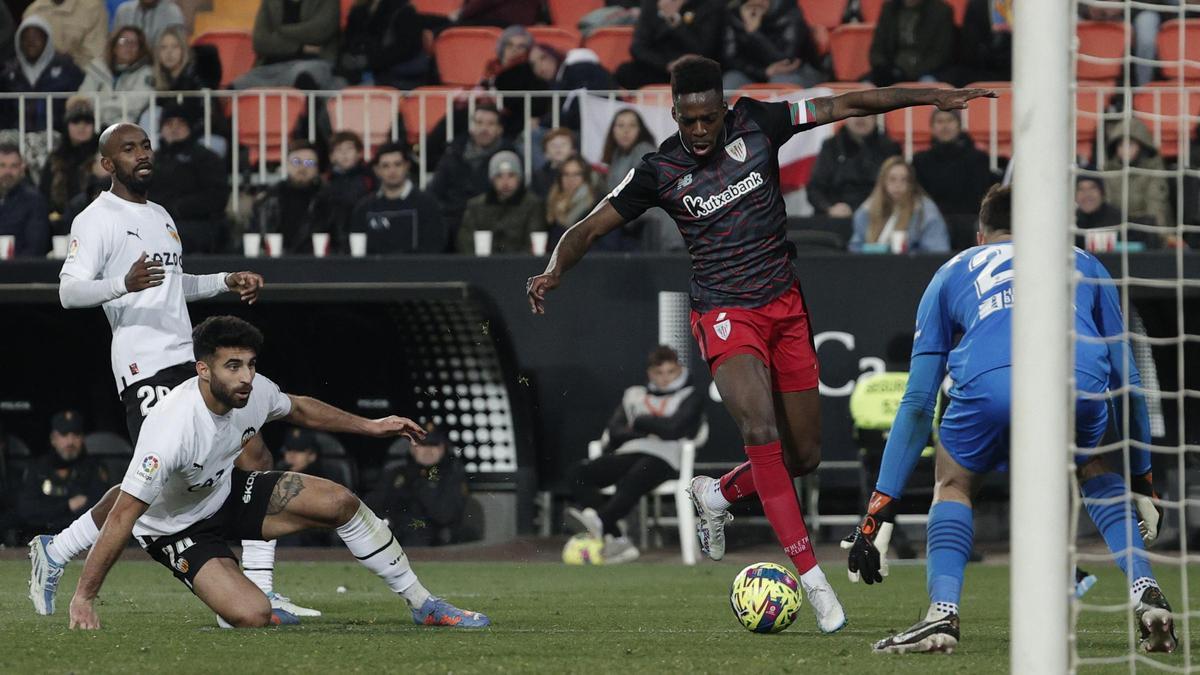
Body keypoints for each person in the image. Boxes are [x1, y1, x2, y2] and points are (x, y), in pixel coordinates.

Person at [526, 54, 994, 633]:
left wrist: (931, 98)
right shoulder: (658, 169)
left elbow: (846, 104)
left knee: (803, 458)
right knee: (760, 432)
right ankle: (814, 583)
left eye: (707, 118)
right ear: (674, 112)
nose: (698, 131)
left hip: (785, 306)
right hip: (724, 311)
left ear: (723, 107)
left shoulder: (759, 123)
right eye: (687, 120)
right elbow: (590, 225)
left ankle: (715, 495)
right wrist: (553, 269)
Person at [847, 185, 1177, 654]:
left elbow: (918, 401)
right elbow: (1129, 384)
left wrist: (878, 510)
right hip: (1076, 380)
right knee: (1095, 467)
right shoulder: (1084, 261)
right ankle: (1145, 590)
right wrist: (1143, 480)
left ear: (981, 233)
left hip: (990, 386)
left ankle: (942, 614)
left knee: (954, 483)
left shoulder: (952, 270)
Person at [27, 122, 318, 622]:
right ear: (106, 163)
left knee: (224, 457)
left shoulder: (160, 215)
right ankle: (60, 552)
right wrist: (122, 282)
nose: (141, 154)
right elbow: (68, 291)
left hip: (186, 357)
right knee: (167, 477)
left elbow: (172, 285)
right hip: (143, 365)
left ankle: (58, 549)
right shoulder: (96, 219)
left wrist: (226, 280)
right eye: (128, 149)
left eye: (145, 146)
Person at [64, 315, 489, 629]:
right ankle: (233, 596)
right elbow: (122, 515)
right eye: (234, 365)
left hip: (225, 493)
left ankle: (423, 603)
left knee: (341, 501)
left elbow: (300, 406)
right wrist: (85, 597)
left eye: (250, 363)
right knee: (252, 615)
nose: (246, 376)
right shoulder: (170, 428)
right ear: (203, 369)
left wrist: (373, 426)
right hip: (176, 528)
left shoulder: (253, 390)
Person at [563, 345, 704, 564]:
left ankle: (601, 522)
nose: (665, 378)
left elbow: (674, 428)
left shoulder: (690, 395)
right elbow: (615, 432)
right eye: (659, 373)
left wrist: (639, 421)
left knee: (636, 475)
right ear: (650, 374)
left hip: (664, 459)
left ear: (680, 370)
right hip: (629, 453)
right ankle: (615, 538)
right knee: (579, 472)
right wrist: (655, 427)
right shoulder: (634, 395)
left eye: (671, 372)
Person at [369, 426, 470, 547]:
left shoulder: (452, 475)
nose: (427, 450)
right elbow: (373, 506)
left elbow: (445, 515)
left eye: (433, 445)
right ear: (412, 448)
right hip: (394, 533)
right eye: (422, 445)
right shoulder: (397, 473)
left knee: (418, 532)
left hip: (433, 538)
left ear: (443, 448)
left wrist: (423, 483)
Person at [150, 104, 230, 253]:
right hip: (157, 222)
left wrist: (178, 208)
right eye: (169, 124)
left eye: (180, 124)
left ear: (190, 128)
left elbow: (217, 197)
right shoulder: (152, 160)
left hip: (196, 224)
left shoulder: (206, 158)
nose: (174, 128)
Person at [428, 104, 513, 241]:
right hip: (453, 221)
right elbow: (434, 192)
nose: (484, 129)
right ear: (471, 127)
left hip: (492, 223)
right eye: (479, 123)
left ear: (499, 129)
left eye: (490, 124)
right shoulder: (452, 154)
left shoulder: (509, 157)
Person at [17, 411, 109, 536]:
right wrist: (66, 506)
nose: (70, 441)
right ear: (53, 439)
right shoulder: (38, 468)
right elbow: (26, 510)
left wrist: (51, 512)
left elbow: (101, 509)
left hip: (83, 539)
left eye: (76, 434)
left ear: (82, 438)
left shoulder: (94, 468)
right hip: (41, 536)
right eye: (64, 434)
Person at [349, 142, 444, 254]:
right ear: (377, 170)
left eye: (397, 164)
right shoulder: (364, 207)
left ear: (407, 166)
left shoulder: (427, 204)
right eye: (385, 166)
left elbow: (434, 246)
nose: (392, 170)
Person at [615, 0, 725, 90]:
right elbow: (637, 47)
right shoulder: (651, 4)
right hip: (661, 68)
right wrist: (666, 64)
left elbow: (705, 49)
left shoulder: (711, 5)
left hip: (696, 69)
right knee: (625, 72)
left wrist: (675, 20)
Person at [0, 16, 84, 132]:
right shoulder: (8, 73)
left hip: (57, 136)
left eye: (36, 37)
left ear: (47, 40)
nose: (31, 43)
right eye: (26, 38)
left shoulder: (67, 69)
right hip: (15, 138)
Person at [850, 156, 950, 253]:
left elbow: (937, 252)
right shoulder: (866, 211)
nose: (898, 185)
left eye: (904, 180)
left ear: (911, 183)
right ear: (882, 182)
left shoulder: (926, 212)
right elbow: (855, 248)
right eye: (892, 179)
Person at [807, 114, 900, 218]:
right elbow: (814, 188)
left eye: (867, 113)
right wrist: (829, 208)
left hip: (877, 217)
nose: (861, 118)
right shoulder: (830, 146)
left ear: (876, 117)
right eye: (855, 113)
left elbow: (897, 187)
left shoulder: (890, 148)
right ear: (845, 117)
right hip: (835, 218)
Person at [235, 0, 341, 90]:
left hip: (311, 63)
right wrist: (300, 48)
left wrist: (279, 30)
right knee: (235, 87)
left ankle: (306, 113)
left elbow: (320, 31)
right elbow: (260, 42)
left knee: (304, 77)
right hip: (269, 67)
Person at [1102, 119, 1176, 248]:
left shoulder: (1154, 171)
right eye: (1120, 145)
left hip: (1148, 234)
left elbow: (1157, 207)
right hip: (1114, 234)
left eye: (1130, 144)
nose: (1124, 150)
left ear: (1142, 146)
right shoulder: (1108, 172)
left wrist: (1163, 238)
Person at [251, 141, 333, 254]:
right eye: (296, 161)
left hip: (316, 264)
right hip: (273, 263)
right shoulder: (268, 198)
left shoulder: (329, 199)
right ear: (286, 164)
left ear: (317, 168)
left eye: (309, 163)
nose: (303, 167)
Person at [721, 0, 823, 91]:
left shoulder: (789, 11)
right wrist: (763, 72)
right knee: (730, 82)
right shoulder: (735, 14)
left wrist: (754, 33)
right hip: (756, 72)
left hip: (798, 71)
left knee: (779, 83)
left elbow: (786, 59)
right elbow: (731, 58)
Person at [457, 150, 545, 254]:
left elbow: (533, 242)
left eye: (511, 175)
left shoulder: (533, 204)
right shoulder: (476, 205)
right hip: (482, 266)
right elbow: (465, 241)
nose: (505, 182)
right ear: (492, 179)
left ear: (519, 178)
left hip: (521, 265)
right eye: (499, 176)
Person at [912, 109, 996, 218]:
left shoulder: (978, 159)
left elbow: (979, 200)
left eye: (950, 120)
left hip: (969, 224)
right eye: (940, 121)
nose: (945, 126)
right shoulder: (920, 162)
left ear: (959, 125)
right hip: (932, 224)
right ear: (932, 128)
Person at [77, 26, 156, 128]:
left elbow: (136, 103)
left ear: (140, 49)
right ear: (114, 46)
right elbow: (84, 96)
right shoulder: (97, 68)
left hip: (128, 125)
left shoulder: (146, 73)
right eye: (124, 41)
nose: (129, 46)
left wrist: (102, 108)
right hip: (93, 124)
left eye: (134, 43)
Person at [338, 0, 430, 89]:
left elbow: (404, 49)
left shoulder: (403, 10)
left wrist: (368, 61)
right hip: (360, 74)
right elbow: (348, 44)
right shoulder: (358, 10)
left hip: (397, 78)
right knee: (333, 83)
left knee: (349, 95)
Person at [868, 0, 956, 86]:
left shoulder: (941, 11)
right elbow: (876, 50)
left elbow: (940, 54)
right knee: (864, 87)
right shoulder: (889, 8)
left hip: (927, 71)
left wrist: (911, 73)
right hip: (890, 71)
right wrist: (886, 69)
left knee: (927, 86)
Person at [40, 98, 98, 221]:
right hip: (61, 223)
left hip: (96, 219)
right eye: (76, 121)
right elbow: (43, 194)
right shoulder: (55, 158)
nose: (82, 126)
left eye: (87, 121)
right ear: (67, 125)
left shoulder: (102, 156)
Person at [323, 131, 377, 245]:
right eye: (339, 150)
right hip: (334, 238)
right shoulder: (326, 181)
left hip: (363, 236)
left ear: (359, 154)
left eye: (349, 149)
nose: (344, 154)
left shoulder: (369, 179)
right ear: (331, 157)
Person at [22, 0, 108, 71]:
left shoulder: (93, 8)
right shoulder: (32, 12)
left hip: (82, 82)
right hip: (42, 83)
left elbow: (95, 59)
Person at [0, 143, 51, 257]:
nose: (7, 172)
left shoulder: (34, 201)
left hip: (18, 270)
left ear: (22, 168)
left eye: (13, 166)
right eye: (2, 165)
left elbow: (36, 248)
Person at [545, 156, 600, 250]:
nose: (570, 179)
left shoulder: (596, 205)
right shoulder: (553, 203)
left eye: (576, 174)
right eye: (566, 174)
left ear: (585, 177)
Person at [111, 0, 185, 46]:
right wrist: (126, 42)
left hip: (159, 68)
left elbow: (177, 48)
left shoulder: (173, 13)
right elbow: (118, 41)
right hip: (126, 66)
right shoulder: (124, 11)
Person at [530, 127, 576, 198]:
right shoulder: (539, 176)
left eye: (563, 144)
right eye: (553, 145)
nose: (558, 148)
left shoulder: (582, 172)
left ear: (573, 150)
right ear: (545, 153)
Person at [1075, 174, 1122, 244]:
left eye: (1092, 188)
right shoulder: (1071, 222)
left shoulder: (1118, 221)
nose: (1087, 194)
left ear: (1102, 193)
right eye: (1081, 189)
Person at [450, 0, 541, 27]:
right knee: (437, 21)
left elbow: (483, 3)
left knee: (442, 28)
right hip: (494, 21)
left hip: (505, 24)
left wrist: (461, 14)